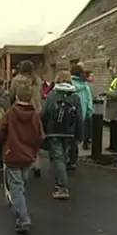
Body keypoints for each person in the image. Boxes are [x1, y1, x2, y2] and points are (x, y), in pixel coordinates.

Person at [0, 82, 44, 233]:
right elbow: (40, 136)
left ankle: (23, 218)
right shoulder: (35, 116)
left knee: (16, 187)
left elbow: (1, 133)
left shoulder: (10, 114)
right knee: (22, 183)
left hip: (12, 154)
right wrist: (34, 151)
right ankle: (20, 205)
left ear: (16, 96)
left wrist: (2, 144)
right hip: (28, 156)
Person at [41, 70, 83, 199]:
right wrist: (80, 135)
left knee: (58, 158)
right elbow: (79, 118)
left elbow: (44, 114)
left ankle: (62, 187)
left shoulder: (52, 96)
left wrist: (44, 131)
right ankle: (60, 181)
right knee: (63, 157)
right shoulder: (75, 97)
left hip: (54, 132)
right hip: (69, 133)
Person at [9, 60, 44, 178]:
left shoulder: (15, 80)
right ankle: (36, 164)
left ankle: (24, 163)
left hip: (21, 110)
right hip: (35, 111)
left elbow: (11, 95)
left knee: (21, 137)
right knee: (34, 138)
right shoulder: (37, 80)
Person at [69, 64, 93, 168]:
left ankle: (67, 158)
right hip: (81, 114)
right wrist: (89, 112)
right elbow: (89, 101)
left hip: (70, 113)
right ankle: (73, 160)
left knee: (68, 135)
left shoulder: (69, 84)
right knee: (76, 137)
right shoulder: (85, 86)